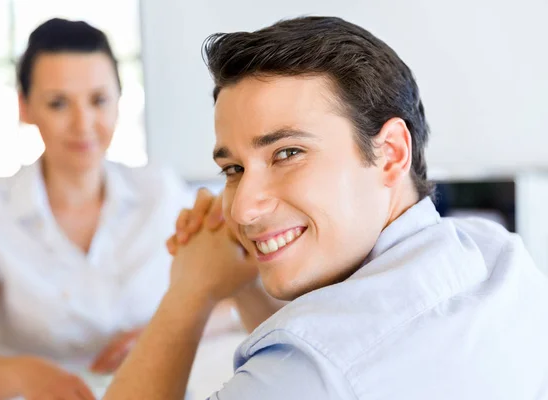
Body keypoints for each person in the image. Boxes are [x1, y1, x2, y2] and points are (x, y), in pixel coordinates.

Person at [103, 16, 548, 400]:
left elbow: (321, 359)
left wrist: (188, 296)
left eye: (287, 153)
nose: (242, 210)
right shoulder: (495, 254)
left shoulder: (304, 374)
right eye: (234, 168)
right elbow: (336, 335)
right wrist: (241, 283)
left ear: (391, 152)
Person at [0, 18, 237, 400]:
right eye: (58, 103)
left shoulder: (160, 192)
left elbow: (234, 301)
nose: (83, 124)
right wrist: (26, 375)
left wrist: (157, 336)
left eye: (99, 100)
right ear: (25, 106)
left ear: (119, 99)